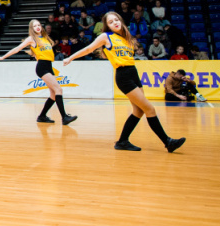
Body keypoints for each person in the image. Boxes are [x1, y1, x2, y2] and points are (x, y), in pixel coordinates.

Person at [64, 12, 185, 152]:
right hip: (123, 76)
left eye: (116, 20)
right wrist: (70, 58)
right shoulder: (106, 36)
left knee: (138, 111)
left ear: (121, 21)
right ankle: (167, 142)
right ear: (107, 26)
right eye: (110, 22)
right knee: (150, 109)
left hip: (133, 73)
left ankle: (122, 141)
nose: (115, 22)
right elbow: (89, 49)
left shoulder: (126, 37)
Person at [0, 20, 77, 124]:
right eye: (34, 26)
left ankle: (42, 116)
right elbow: (17, 49)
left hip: (49, 66)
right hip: (42, 67)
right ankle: (64, 117)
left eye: (38, 25)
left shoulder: (45, 38)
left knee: (53, 94)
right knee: (58, 89)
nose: (37, 27)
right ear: (31, 28)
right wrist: (2, 57)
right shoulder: (31, 39)